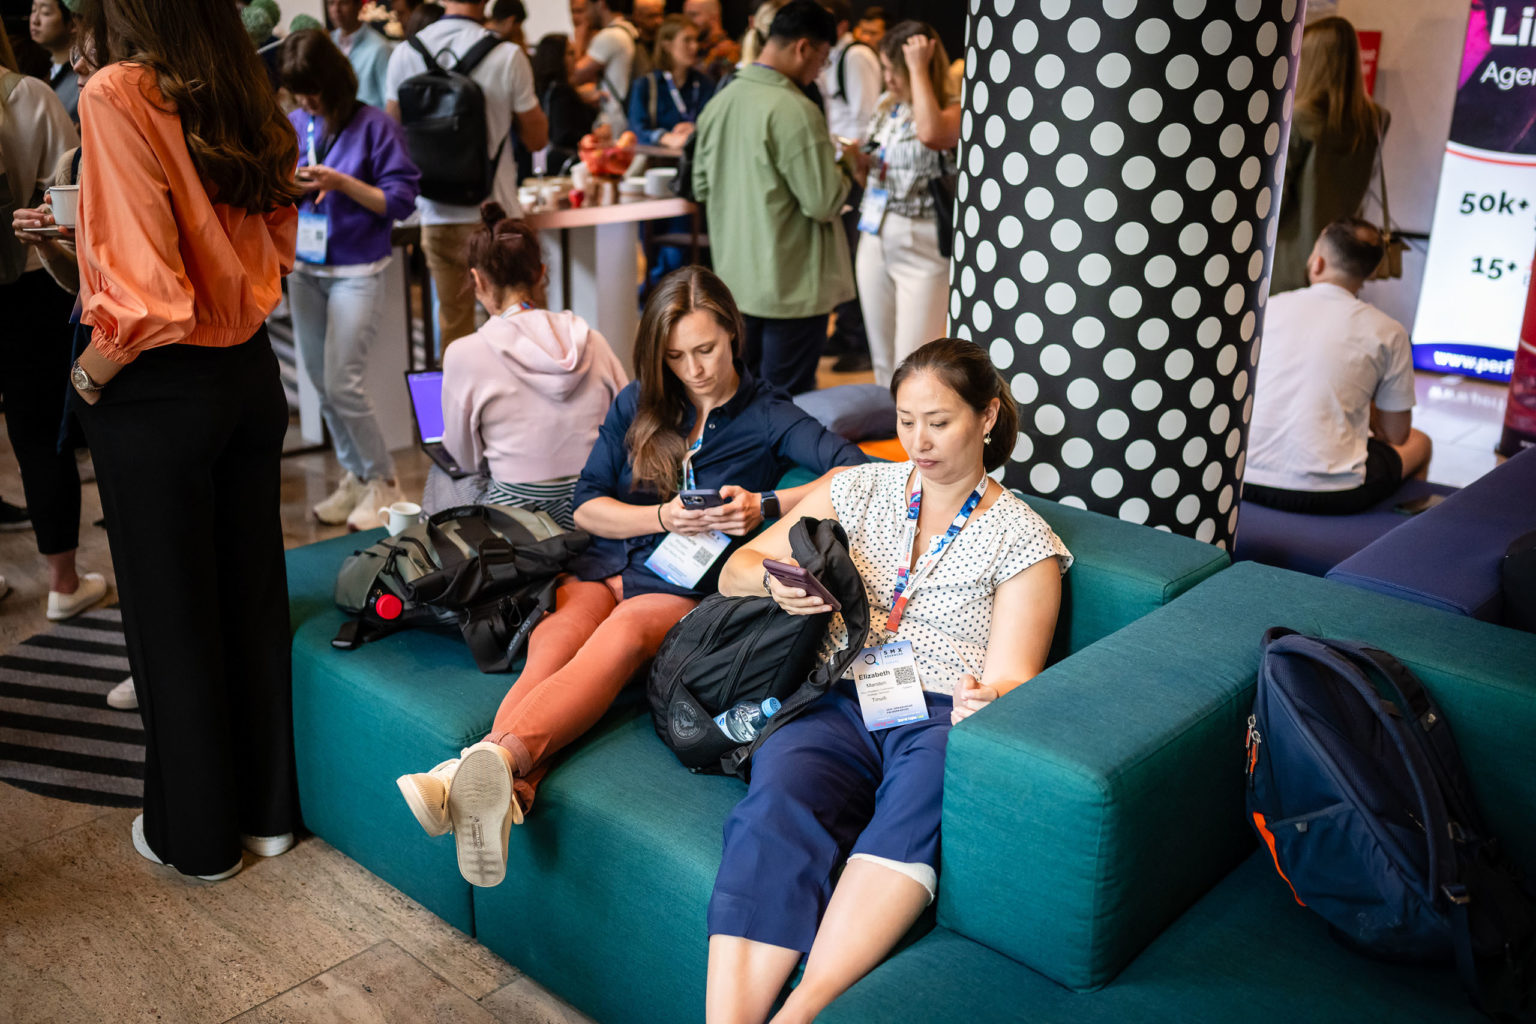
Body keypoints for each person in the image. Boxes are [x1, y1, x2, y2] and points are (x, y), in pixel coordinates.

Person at [394, 267, 868, 888]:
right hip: (607, 563)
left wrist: (766, 504)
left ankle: (476, 767)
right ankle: (506, 786)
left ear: (733, 333)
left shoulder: (770, 414)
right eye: (676, 356)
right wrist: (661, 516)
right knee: (554, 641)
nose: (694, 369)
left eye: (706, 349)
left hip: (683, 589)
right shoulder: (640, 401)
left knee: (620, 634)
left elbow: (856, 471)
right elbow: (588, 504)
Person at [706, 338, 1071, 1024]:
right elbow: (735, 570)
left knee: (921, 800)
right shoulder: (859, 488)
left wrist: (988, 698)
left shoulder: (1023, 539)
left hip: (937, 714)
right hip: (841, 695)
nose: (918, 441)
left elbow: (1014, 678)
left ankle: (802, 1010)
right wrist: (778, 585)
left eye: (939, 421)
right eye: (906, 421)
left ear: (987, 417)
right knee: (777, 798)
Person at [68, 0, 302, 881]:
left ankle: (196, 839)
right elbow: (275, 240)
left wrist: (87, 375)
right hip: (249, 372)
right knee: (251, 596)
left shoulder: (117, 90)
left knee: (171, 619)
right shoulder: (245, 85)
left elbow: (147, 299)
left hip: (159, 384)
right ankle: (269, 816)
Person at [280, 29, 421, 531]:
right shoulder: (297, 123)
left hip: (357, 269)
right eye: (298, 92)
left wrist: (341, 182)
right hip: (307, 267)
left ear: (333, 82)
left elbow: (399, 201)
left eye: (312, 91)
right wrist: (292, 186)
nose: (305, 102)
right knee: (322, 384)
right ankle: (356, 476)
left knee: (344, 383)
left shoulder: (376, 126)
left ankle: (384, 481)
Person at [693, 0, 860, 395]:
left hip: (736, 280)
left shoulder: (721, 101)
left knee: (740, 393)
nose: (820, 70)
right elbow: (823, 202)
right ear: (803, 47)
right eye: (823, 58)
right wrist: (848, 163)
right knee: (786, 400)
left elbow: (699, 186)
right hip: (792, 284)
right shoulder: (795, 109)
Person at [2, 18, 109, 625]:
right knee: (43, 437)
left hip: (35, 285)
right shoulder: (27, 95)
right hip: (30, 288)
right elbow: (71, 198)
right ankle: (63, 583)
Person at [425, 201, 627, 522]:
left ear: (478, 280)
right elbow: (630, 424)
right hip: (595, 502)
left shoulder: (464, 353)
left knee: (441, 474)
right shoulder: (593, 340)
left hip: (518, 515)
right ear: (541, 273)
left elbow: (465, 458)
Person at [385, 1, 547, 351]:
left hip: (436, 214)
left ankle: (460, 388)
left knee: (454, 326)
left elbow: (393, 136)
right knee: (520, 326)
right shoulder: (507, 54)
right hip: (497, 216)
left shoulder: (405, 54)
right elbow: (537, 139)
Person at [1246, 219, 1431, 515]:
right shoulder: (1389, 331)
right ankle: (1399, 529)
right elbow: (1397, 436)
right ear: (1372, 272)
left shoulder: (1267, 308)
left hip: (1241, 478)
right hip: (1331, 495)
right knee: (1421, 443)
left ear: (1317, 262)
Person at [856, 21, 960, 387]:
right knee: (883, 358)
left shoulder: (953, 107)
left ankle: (913, 424)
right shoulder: (888, 106)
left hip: (923, 242)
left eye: (893, 69)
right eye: (885, 68)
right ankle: (889, 420)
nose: (887, 78)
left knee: (914, 360)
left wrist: (917, 68)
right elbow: (871, 169)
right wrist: (856, 159)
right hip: (875, 233)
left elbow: (932, 134)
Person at [1271, 15, 1386, 296]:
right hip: (1341, 261)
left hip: (1286, 261)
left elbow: (1275, 199)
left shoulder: (1298, 119)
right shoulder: (1375, 119)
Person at [818, 0, 882, 374]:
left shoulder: (856, 57)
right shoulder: (832, 57)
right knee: (843, 253)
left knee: (856, 254)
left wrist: (851, 161)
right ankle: (845, 331)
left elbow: (866, 118)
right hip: (837, 167)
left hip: (855, 170)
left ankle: (862, 341)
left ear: (841, 24)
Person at [627, 14, 713, 148]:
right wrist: (663, 137)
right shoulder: (646, 85)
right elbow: (636, 130)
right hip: (658, 159)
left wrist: (696, 128)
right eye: (687, 40)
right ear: (667, 45)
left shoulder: (704, 84)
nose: (694, 46)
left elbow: (716, 124)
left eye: (696, 40)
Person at [572, 0, 638, 133]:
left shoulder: (610, 36)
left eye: (586, 8)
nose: (586, 15)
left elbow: (574, 76)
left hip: (613, 120)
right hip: (627, 114)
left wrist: (579, 39)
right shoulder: (629, 30)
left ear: (601, 4)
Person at [533, 32, 597, 170]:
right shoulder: (561, 92)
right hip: (565, 163)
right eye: (570, 53)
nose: (576, 58)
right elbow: (562, 133)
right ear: (556, 57)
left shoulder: (540, 89)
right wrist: (592, 137)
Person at [327, 0, 391, 109]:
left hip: (368, 117)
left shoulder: (379, 48)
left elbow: (389, 102)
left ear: (359, 6)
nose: (336, 9)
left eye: (343, 3)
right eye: (331, 3)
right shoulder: (327, 43)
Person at [29, 0, 78, 121]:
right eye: (33, 10)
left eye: (45, 13)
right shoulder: (32, 64)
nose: (35, 20)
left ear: (73, 24)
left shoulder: (79, 76)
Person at [683, 0, 738, 80]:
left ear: (714, 17)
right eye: (685, 16)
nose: (687, 22)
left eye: (694, 15)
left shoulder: (729, 52)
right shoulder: (695, 49)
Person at [630, 0, 664, 79]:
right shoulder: (631, 44)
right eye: (651, 16)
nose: (658, 21)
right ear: (637, 17)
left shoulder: (666, 44)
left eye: (661, 15)